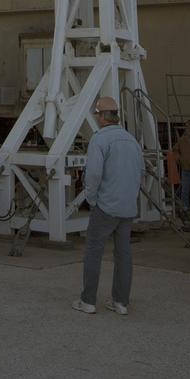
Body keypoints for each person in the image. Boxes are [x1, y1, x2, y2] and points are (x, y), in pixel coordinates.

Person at [72, 95, 144, 317]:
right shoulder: (131, 140)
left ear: (102, 116)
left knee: (94, 251)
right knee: (123, 254)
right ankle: (121, 302)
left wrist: (92, 199)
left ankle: (88, 301)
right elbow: (140, 172)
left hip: (105, 207)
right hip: (127, 207)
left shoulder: (100, 140)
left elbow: (92, 174)